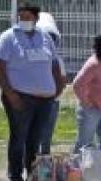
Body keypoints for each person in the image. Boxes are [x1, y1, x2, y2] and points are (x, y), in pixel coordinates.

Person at [0, 0, 65, 181]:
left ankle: (33, 177)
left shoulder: (45, 37)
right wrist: (10, 94)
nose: (24, 19)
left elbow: (55, 63)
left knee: (35, 140)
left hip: (45, 99)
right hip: (20, 98)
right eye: (21, 16)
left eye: (28, 16)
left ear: (36, 18)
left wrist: (57, 86)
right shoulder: (8, 37)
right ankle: (15, 178)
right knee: (19, 138)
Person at [37, 13, 67, 155]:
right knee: (32, 137)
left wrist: (52, 95)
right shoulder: (30, 57)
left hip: (51, 102)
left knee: (46, 138)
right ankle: (30, 166)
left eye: (52, 38)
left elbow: (62, 81)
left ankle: (45, 168)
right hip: (34, 102)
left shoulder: (57, 60)